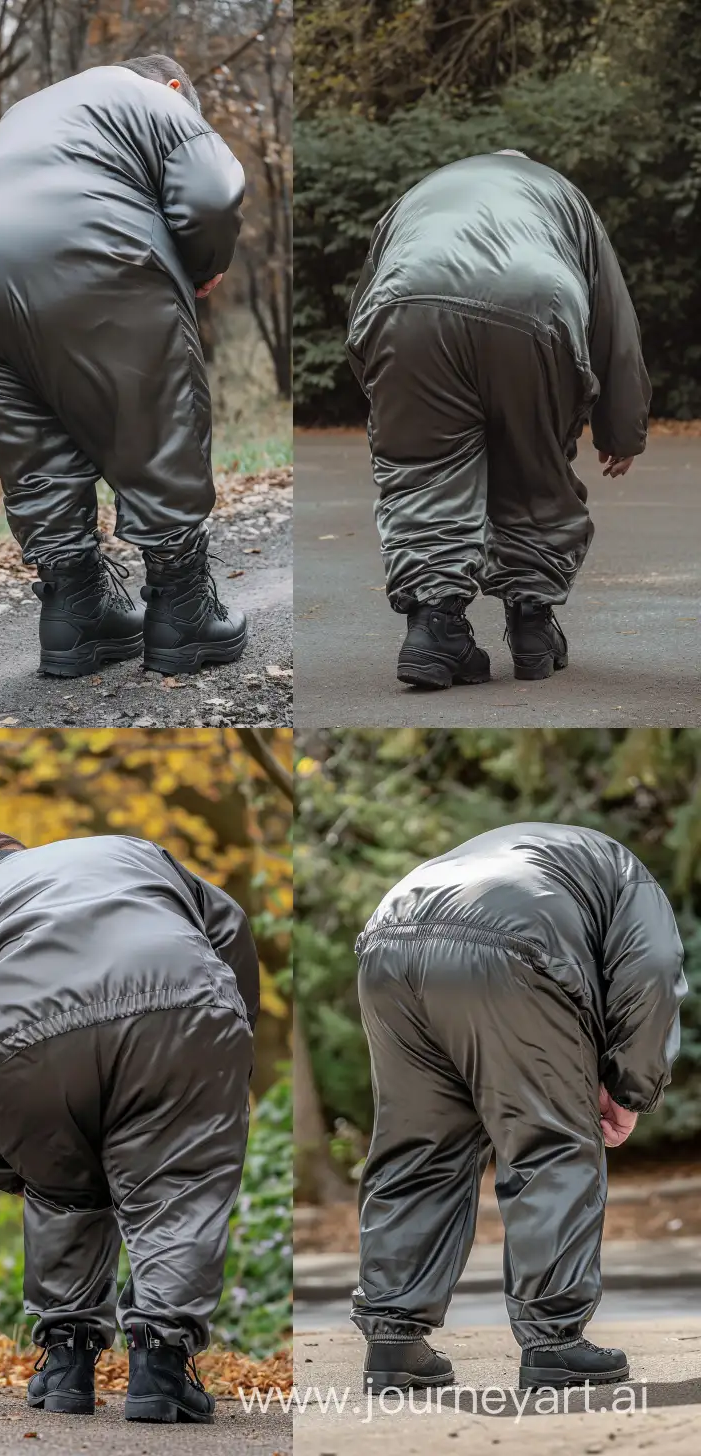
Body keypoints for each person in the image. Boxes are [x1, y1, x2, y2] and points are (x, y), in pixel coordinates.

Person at [0, 830, 259, 1423]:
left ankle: (66, 1366)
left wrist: (19, 1168)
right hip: (180, 1003)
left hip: (18, 1037)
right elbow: (228, 925)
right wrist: (230, 1043)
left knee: (60, 1191)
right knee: (180, 1185)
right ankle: (162, 1370)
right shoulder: (123, 850)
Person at [0, 56, 248, 680]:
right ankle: (183, 612)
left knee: (32, 446)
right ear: (176, 89)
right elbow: (211, 193)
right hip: (82, 245)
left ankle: (76, 617)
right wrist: (204, 261)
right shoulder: (155, 98)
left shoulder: (29, 112)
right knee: (153, 417)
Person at [353, 823, 685, 1392]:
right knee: (550, 1142)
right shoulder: (626, 873)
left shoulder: (542, 850)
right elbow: (653, 968)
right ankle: (554, 1343)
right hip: (515, 943)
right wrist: (630, 1088)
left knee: (419, 1145)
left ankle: (394, 1342)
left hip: (389, 938)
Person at [346, 151, 651, 689]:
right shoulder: (565, 197)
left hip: (407, 303)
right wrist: (620, 429)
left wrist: (393, 403)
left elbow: (365, 304)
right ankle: (532, 626)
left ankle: (434, 628)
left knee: (423, 475)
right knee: (535, 464)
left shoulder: (420, 192)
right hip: (537, 303)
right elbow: (613, 320)